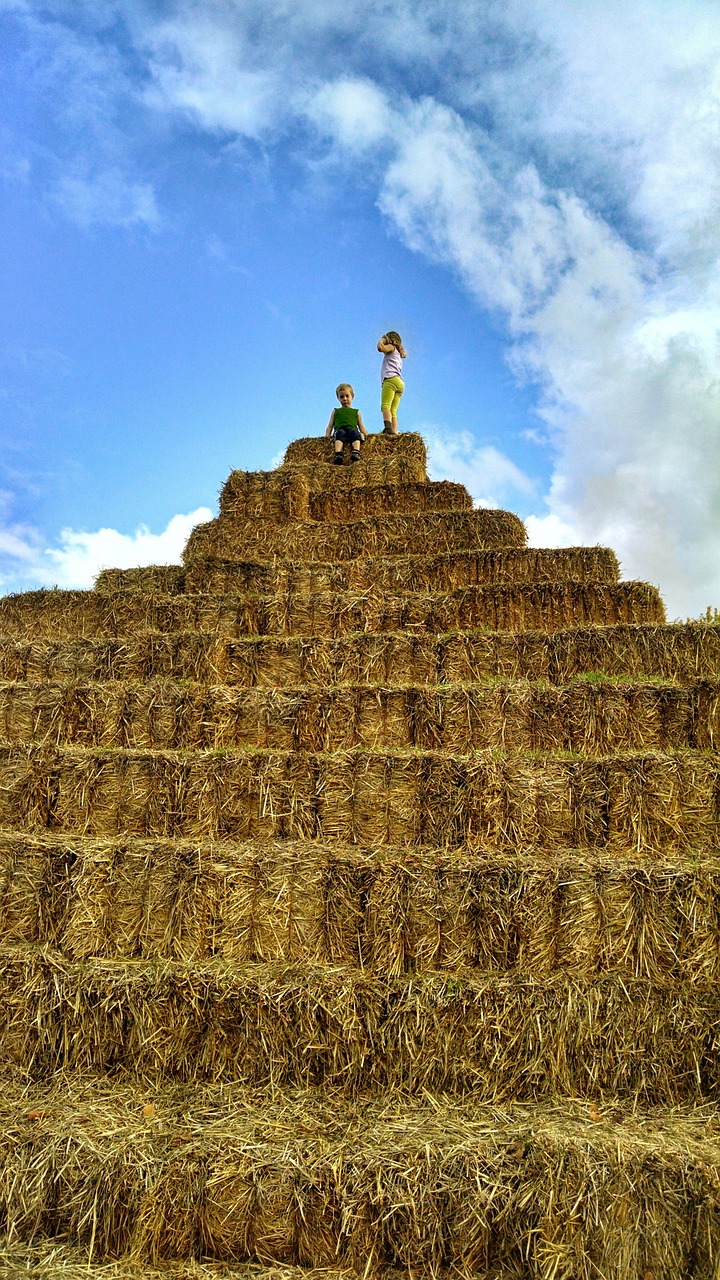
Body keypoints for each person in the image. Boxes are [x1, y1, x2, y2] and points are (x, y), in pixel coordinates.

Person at [325, 383, 368, 464]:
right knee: (339, 434)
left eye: (347, 396)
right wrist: (327, 437)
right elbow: (330, 426)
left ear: (352, 396)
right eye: (341, 397)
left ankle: (356, 451)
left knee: (355, 433)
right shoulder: (335, 411)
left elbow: (361, 426)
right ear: (338, 398)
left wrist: (368, 436)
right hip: (340, 430)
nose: (344, 399)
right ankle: (338, 454)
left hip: (352, 430)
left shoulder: (356, 412)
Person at [377, 330, 407, 434]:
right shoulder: (398, 355)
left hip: (390, 379)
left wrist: (382, 339)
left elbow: (380, 348)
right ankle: (394, 433)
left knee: (385, 406)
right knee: (393, 411)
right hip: (400, 383)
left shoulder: (391, 347)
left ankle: (388, 429)